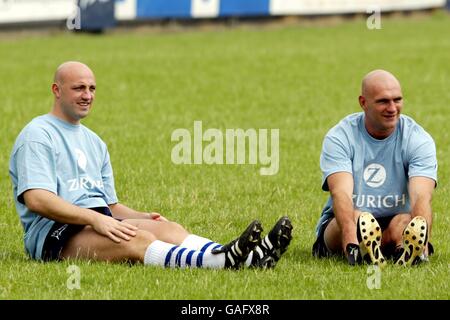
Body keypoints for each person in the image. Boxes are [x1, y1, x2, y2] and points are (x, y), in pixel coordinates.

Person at [9, 61, 293, 269]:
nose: (88, 95)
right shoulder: (38, 134)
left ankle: (253, 258)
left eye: (92, 88)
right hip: (54, 234)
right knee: (138, 239)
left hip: (99, 221)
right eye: (79, 88)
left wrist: (141, 214)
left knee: (168, 230)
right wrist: (94, 218)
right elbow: (37, 199)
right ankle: (220, 262)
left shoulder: (94, 141)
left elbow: (109, 204)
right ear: (56, 90)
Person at [312, 70, 437, 267]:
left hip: (396, 217)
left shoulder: (418, 139)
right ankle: (368, 246)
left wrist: (422, 235)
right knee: (359, 219)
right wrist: (349, 240)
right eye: (383, 101)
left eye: (397, 100)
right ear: (363, 103)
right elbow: (341, 193)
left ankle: (401, 250)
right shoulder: (340, 137)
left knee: (404, 221)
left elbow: (421, 196)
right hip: (351, 220)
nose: (392, 108)